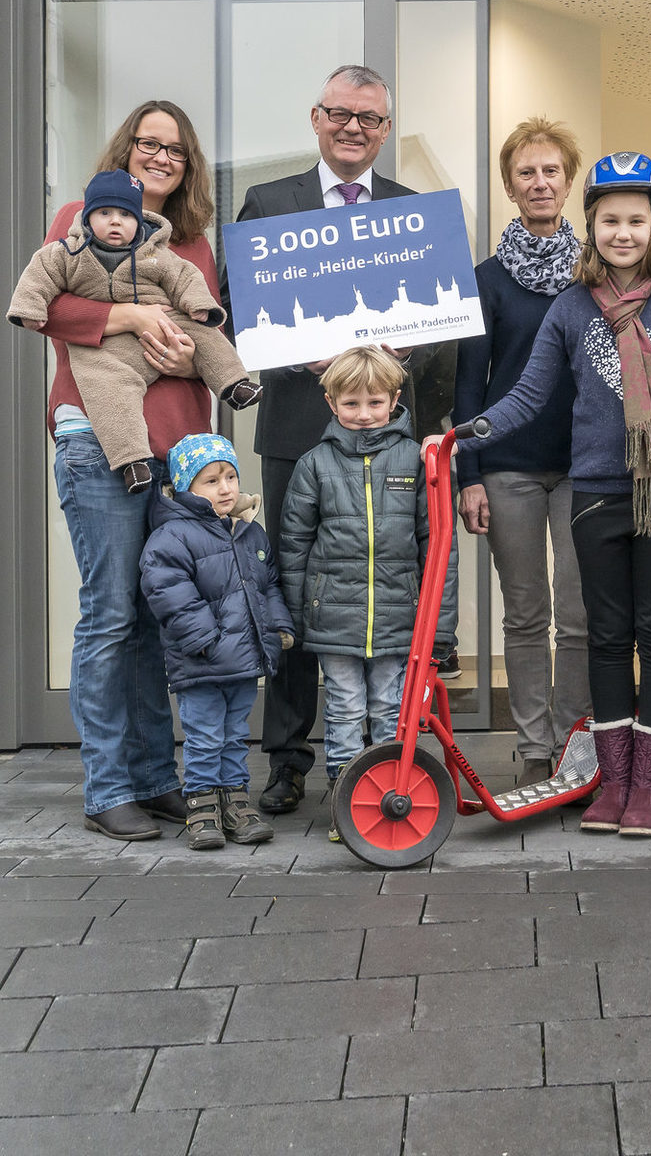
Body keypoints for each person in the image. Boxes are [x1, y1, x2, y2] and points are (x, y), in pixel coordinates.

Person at [457, 153, 651, 839]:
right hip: (597, 494)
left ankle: (650, 786)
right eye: (610, 220)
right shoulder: (572, 307)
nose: (623, 233)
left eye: (636, 220)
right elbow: (528, 394)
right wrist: (465, 436)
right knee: (606, 637)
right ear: (592, 226)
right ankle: (612, 782)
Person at [228, 63, 439, 818]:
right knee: (294, 586)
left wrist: (406, 351)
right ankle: (288, 760)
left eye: (369, 118)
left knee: (381, 581)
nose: (354, 128)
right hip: (296, 433)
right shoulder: (268, 204)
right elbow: (238, 313)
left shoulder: (413, 213)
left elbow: (440, 329)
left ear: (385, 130)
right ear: (316, 117)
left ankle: (384, 756)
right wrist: (302, 352)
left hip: (388, 442)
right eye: (341, 113)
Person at [37, 99, 223, 841]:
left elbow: (211, 337)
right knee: (111, 614)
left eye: (175, 150)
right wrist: (135, 318)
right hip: (98, 443)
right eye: (149, 143)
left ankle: (154, 779)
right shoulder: (78, 219)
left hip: (176, 453)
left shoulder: (195, 243)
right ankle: (108, 786)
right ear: (127, 148)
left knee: (152, 617)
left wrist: (183, 353)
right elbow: (46, 305)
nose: (160, 157)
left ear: (188, 165)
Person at [453, 117, 590, 786]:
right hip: (506, 466)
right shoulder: (484, 279)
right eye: (526, 172)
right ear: (510, 187)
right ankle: (535, 747)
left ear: (569, 182)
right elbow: (468, 384)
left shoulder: (598, 272)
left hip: (586, 467)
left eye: (550, 171)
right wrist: (470, 474)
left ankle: (576, 744)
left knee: (580, 614)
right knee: (527, 613)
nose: (539, 182)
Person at [9, 168, 260, 493]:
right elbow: (39, 277)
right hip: (109, 352)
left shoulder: (154, 252)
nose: (115, 222)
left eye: (126, 215)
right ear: (86, 216)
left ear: (139, 221)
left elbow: (185, 277)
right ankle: (132, 462)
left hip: (168, 326)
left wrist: (198, 306)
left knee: (206, 333)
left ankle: (234, 384)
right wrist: (28, 309)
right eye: (104, 213)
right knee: (111, 393)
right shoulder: (68, 252)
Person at [277, 347, 428, 840]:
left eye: (375, 402)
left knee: (388, 708)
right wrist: (296, 615)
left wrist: (439, 623)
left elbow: (435, 546)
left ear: (395, 399)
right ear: (331, 403)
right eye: (351, 404)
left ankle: (388, 795)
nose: (364, 414)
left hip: (396, 617)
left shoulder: (414, 460)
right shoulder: (313, 464)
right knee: (343, 708)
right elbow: (294, 545)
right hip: (333, 620)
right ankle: (347, 803)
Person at [140, 434, 292, 851]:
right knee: (206, 736)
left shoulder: (250, 533)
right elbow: (168, 592)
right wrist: (204, 639)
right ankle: (202, 806)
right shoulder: (172, 537)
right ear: (185, 487)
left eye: (230, 477)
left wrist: (277, 628)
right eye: (211, 481)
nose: (225, 488)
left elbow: (269, 586)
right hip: (202, 662)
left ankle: (235, 803)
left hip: (242, 660)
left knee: (234, 735)